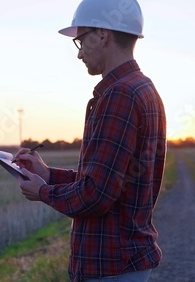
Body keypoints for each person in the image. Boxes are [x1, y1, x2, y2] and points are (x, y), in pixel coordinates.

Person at [15, 0, 166, 281]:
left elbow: (95, 196)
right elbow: (108, 182)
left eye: (80, 40)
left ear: (102, 35)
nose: (79, 53)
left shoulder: (120, 95)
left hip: (110, 265)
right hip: (124, 262)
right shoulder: (142, 88)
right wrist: (47, 175)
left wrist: (42, 192)